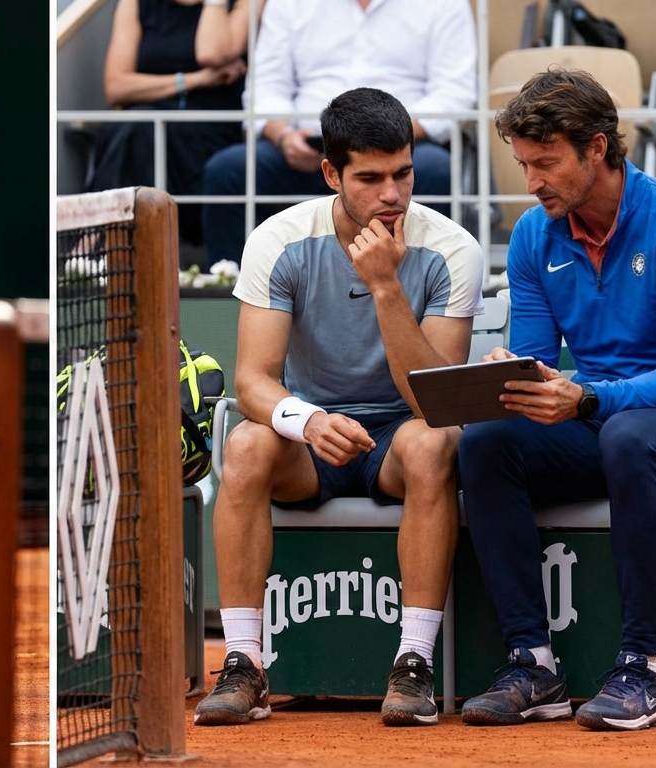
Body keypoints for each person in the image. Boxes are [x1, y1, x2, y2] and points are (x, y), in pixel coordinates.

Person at [458, 68, 656, 731]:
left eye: (546, 163)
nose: (531, 183)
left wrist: (583, 398)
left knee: (630, 433)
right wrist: (509, 377)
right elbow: (534, 368)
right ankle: (532, 663)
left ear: (596, 148)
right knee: (487, 443)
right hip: (609, 423)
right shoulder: (534, 235)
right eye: (524, 165)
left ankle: (645, 667)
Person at [193, 87, 484, 728]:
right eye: (371, 178)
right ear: (331, 174)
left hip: (401, 437)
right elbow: (254, 380)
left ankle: (413, 665)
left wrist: (385, 286)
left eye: (403, 173)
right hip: (312, 437)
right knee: (243, 443)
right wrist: (309, 420)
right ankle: (243, 664)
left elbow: (434, 401)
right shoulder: (279, 241)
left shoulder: (452, 250)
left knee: (438, 444)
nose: (393, 195)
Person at [199, 0, 476, 266]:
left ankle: (422, 289)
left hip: (398, 143)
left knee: (437, 170)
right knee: (228, 171)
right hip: (303, 145)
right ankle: (229, 289)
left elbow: (455, 93)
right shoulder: (288, 3)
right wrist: (284, 136)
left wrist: (388, 137)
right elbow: (266, 88)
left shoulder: (444, 3)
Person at [86, 0, 260, 259]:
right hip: (141, 130)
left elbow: (212, 52)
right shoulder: (134, 4)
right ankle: (128, 254)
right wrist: (196, 79)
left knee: (138, 131)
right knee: (139, 129)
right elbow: (116, 86)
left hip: (208, 132)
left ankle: (102, 248)